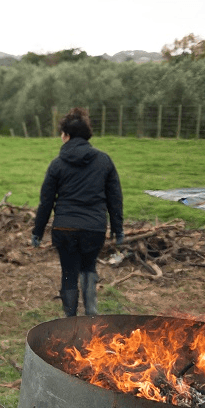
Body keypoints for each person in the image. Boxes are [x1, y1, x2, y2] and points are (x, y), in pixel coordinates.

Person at [31, 108, 124, 317]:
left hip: (65, 227)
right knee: (88, 267)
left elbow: (46, 201)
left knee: (68, 272)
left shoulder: (57, 164)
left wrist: (37, 232)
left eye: (62, 134)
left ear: (67, 136)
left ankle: (70, 319)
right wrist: (118, 230)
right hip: (95, 228)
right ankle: (91, 313)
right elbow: (115, 199)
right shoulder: (104, 161)